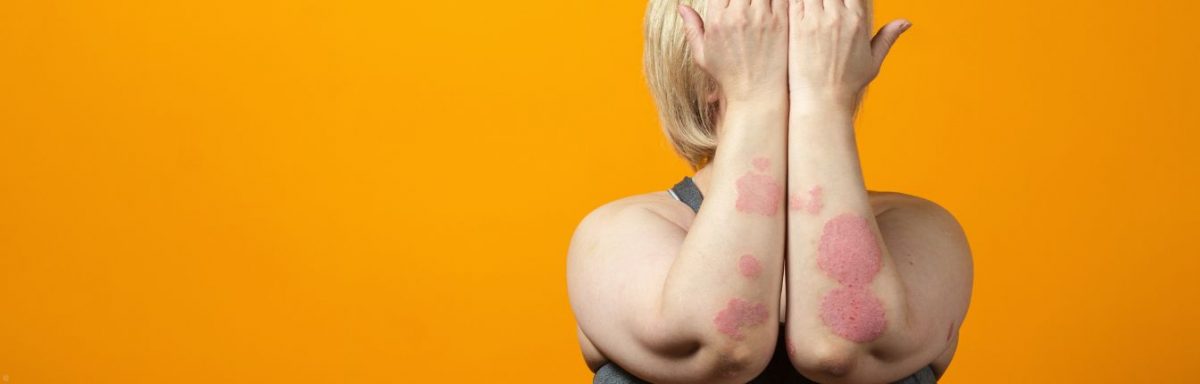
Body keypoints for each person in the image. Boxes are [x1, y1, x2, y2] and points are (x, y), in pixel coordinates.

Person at [567, 0, 973, 383]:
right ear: (701, 63)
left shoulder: (924, 231)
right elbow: (724, 347)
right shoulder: (616, 233)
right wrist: (753, 97)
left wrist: (825, 102)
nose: (818, 40)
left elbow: (840, 348)